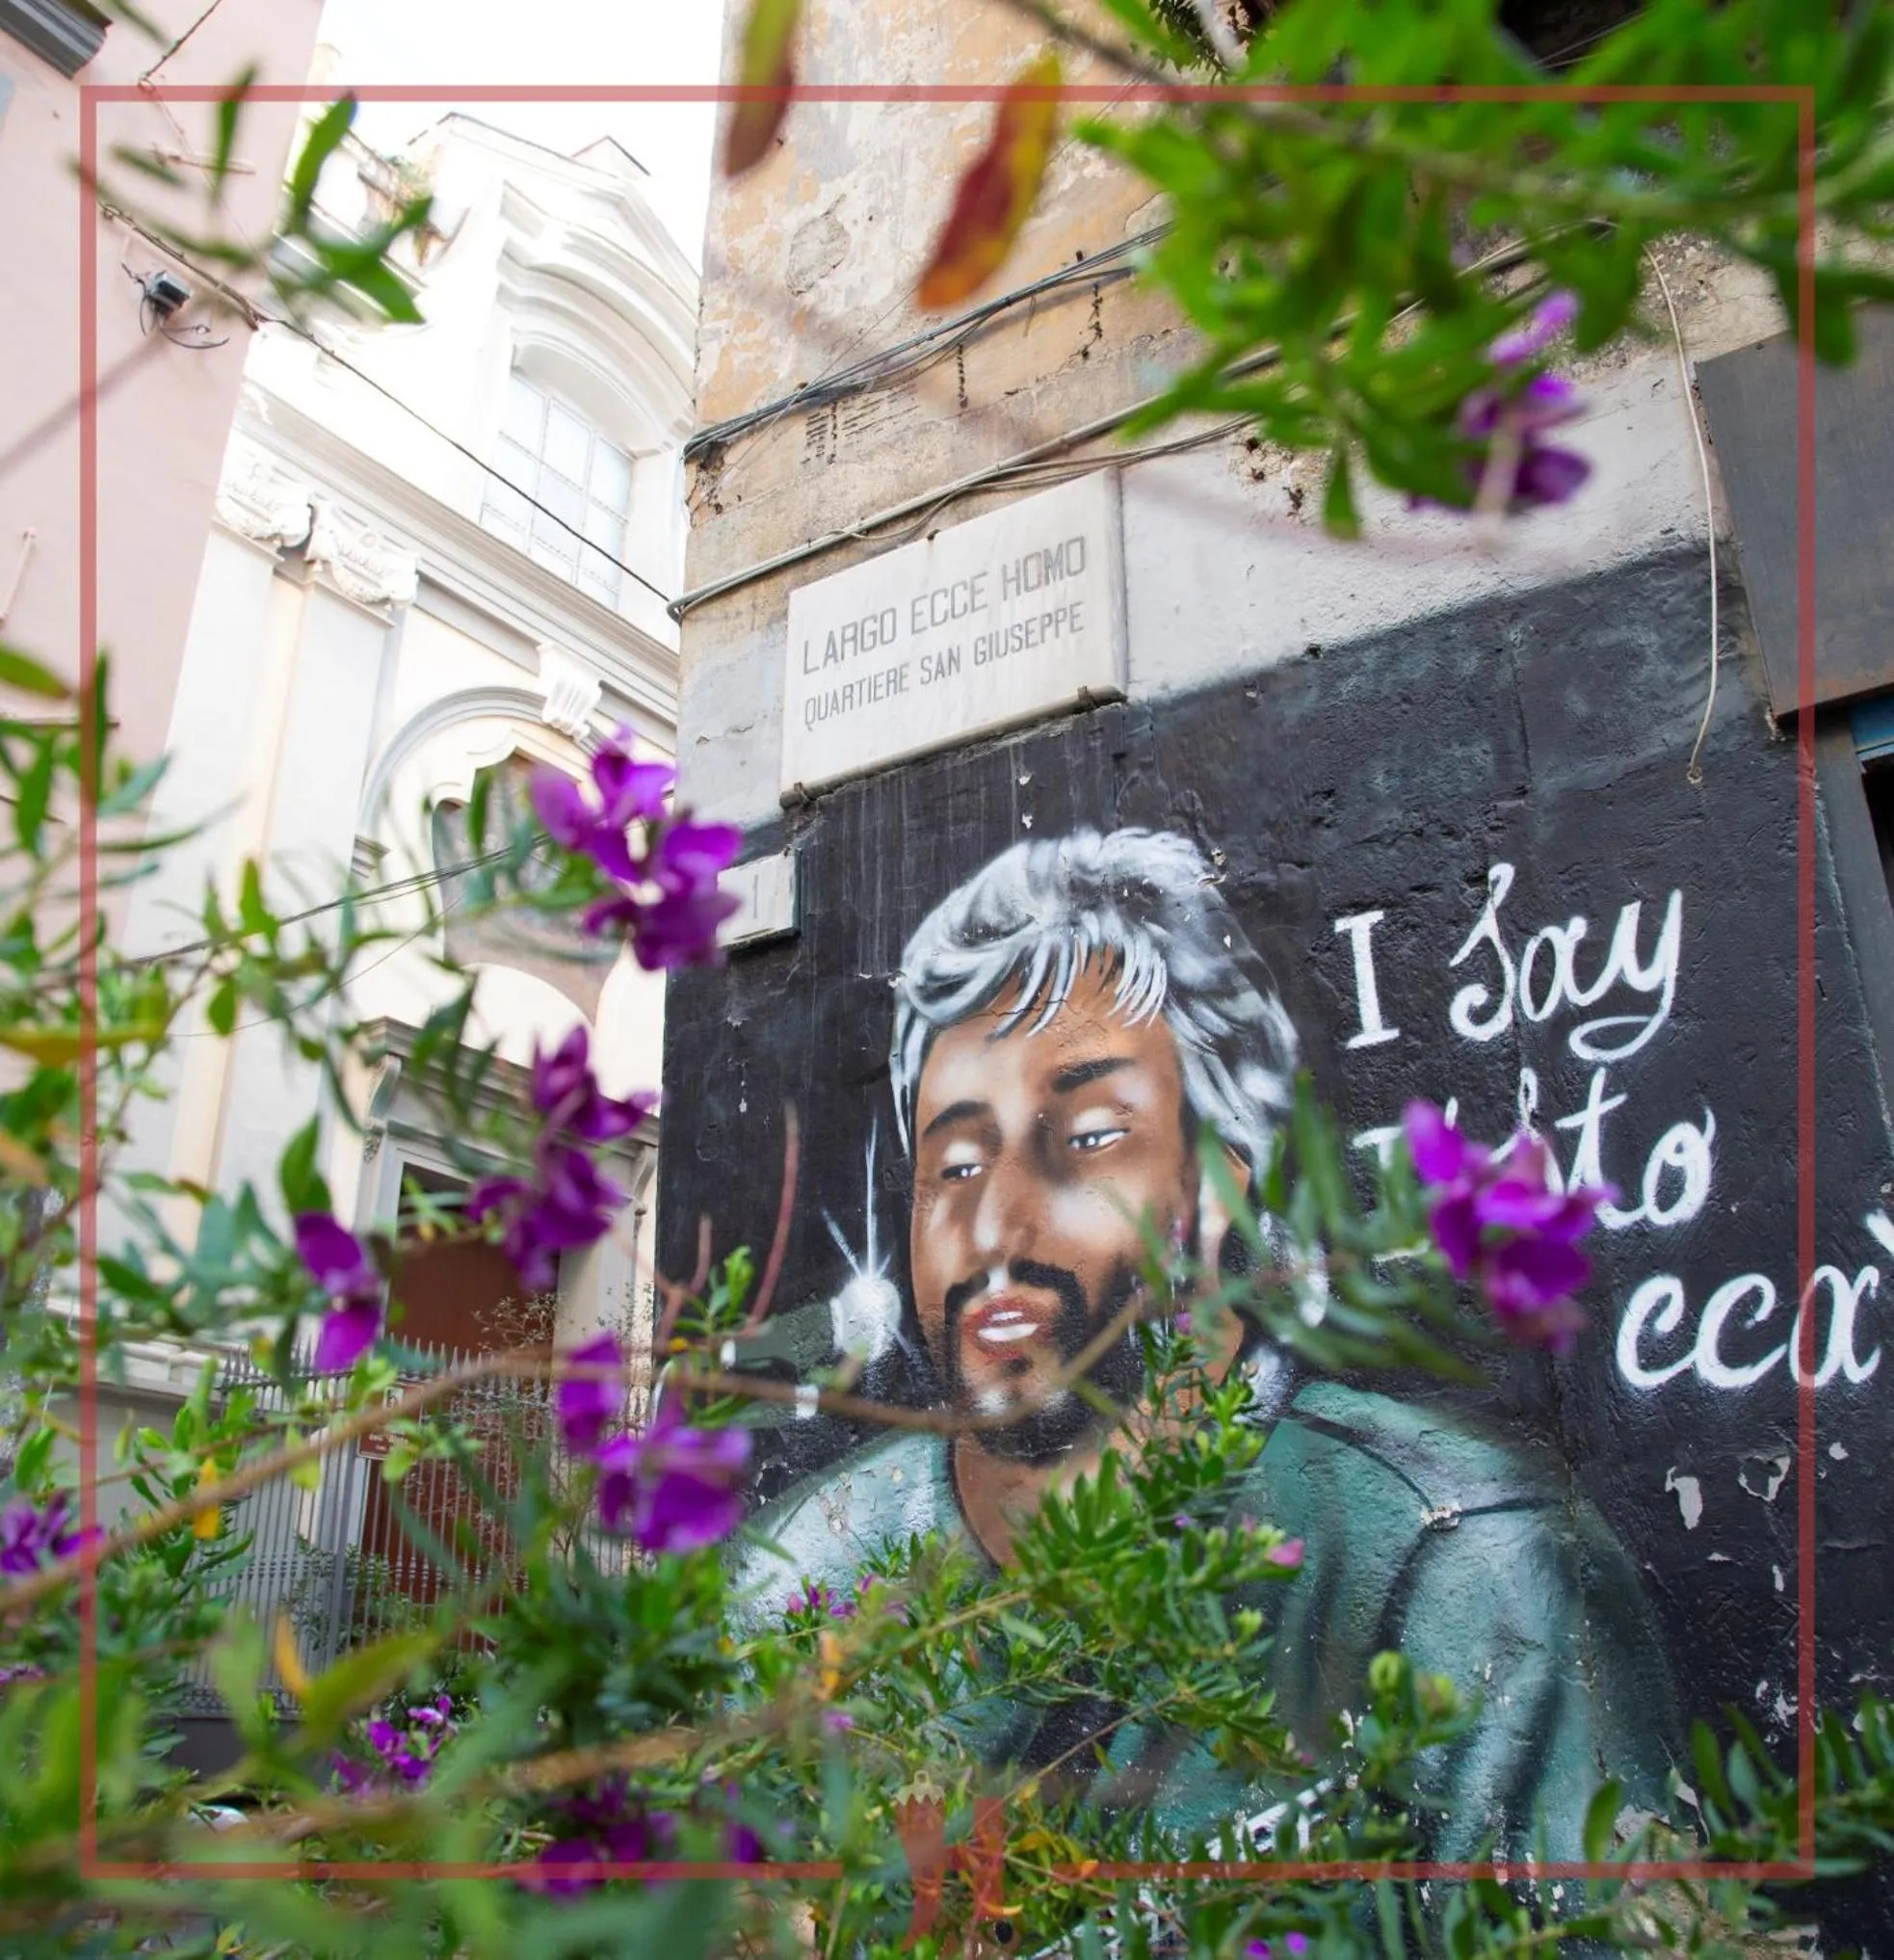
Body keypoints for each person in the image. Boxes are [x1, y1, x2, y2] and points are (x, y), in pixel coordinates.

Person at [733, 827, 1679, 1860]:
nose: (994, 1228)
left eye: (1089, 1138)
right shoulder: (794, 1580)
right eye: (955, 1164)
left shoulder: (1468, 1573)